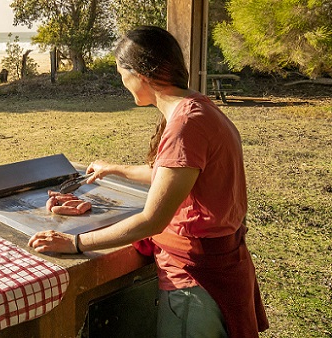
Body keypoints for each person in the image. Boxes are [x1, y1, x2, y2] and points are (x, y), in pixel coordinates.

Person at [28, 26, 268, 338]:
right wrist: (115, 168)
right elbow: (174, 172)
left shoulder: (185, 126)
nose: (122, 83)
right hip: (214, 270)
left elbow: (151, 220)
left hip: (194, 284)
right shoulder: (197, 107)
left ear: (139, 74)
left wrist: (74, 243)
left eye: (121, 74)